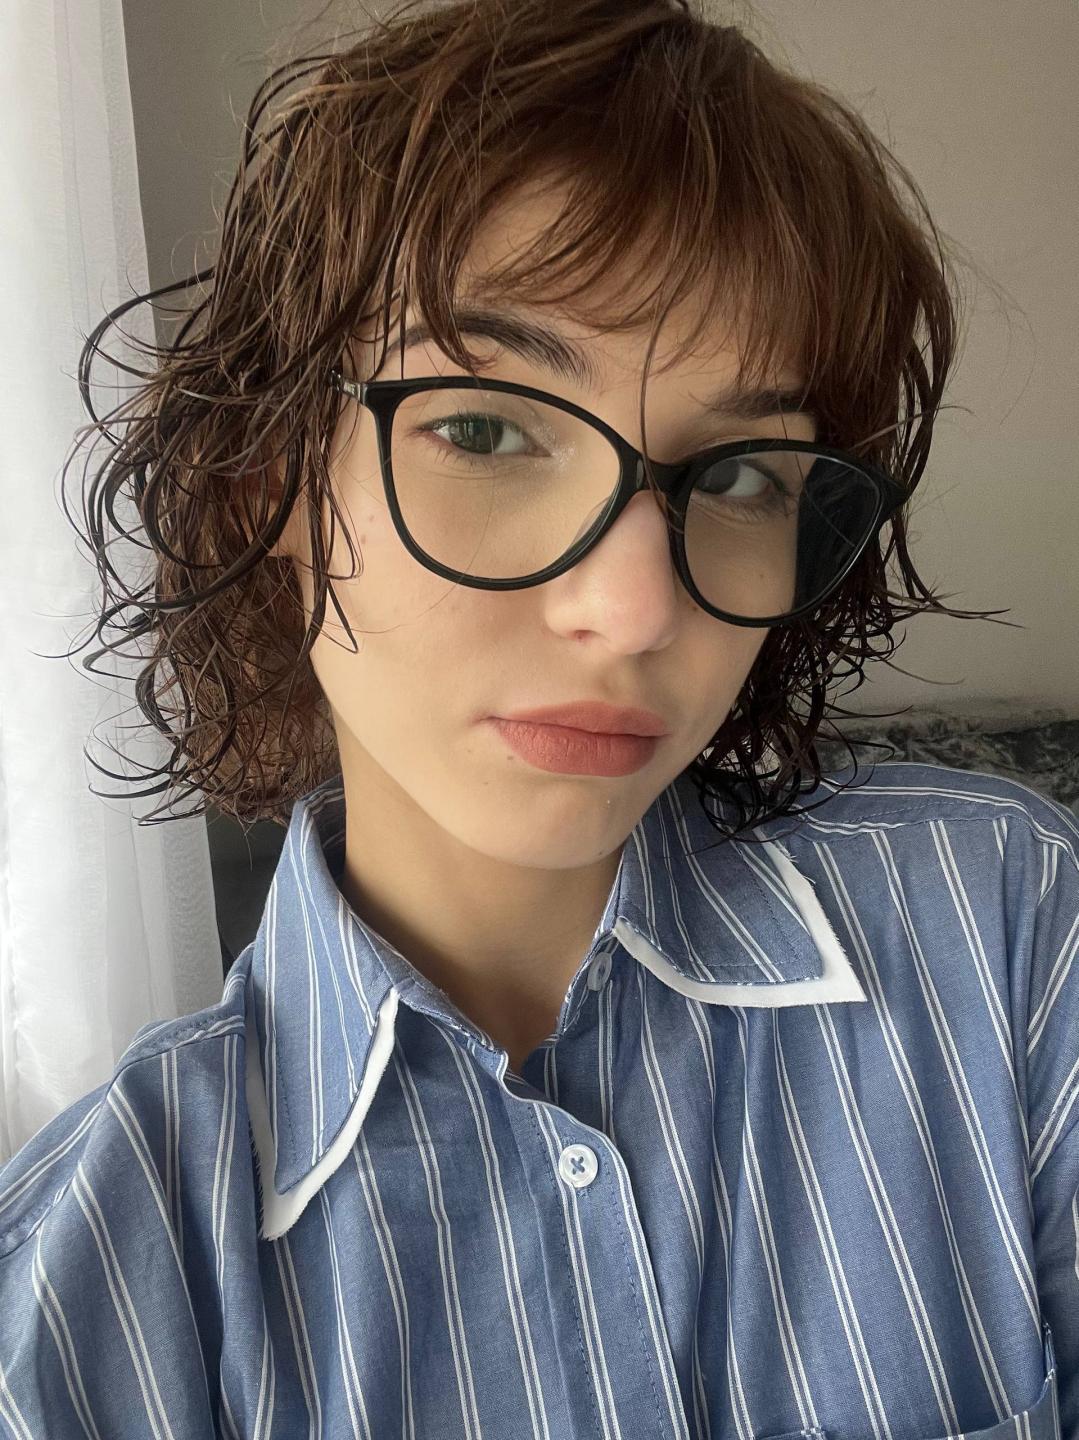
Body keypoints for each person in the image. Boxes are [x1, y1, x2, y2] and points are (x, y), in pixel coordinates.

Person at [0, 0, 1075, 1434]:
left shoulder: (1003, 932)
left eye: (742, 474)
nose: (632, 609)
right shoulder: (78, 1302)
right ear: (274, 491)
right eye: (487, 429)